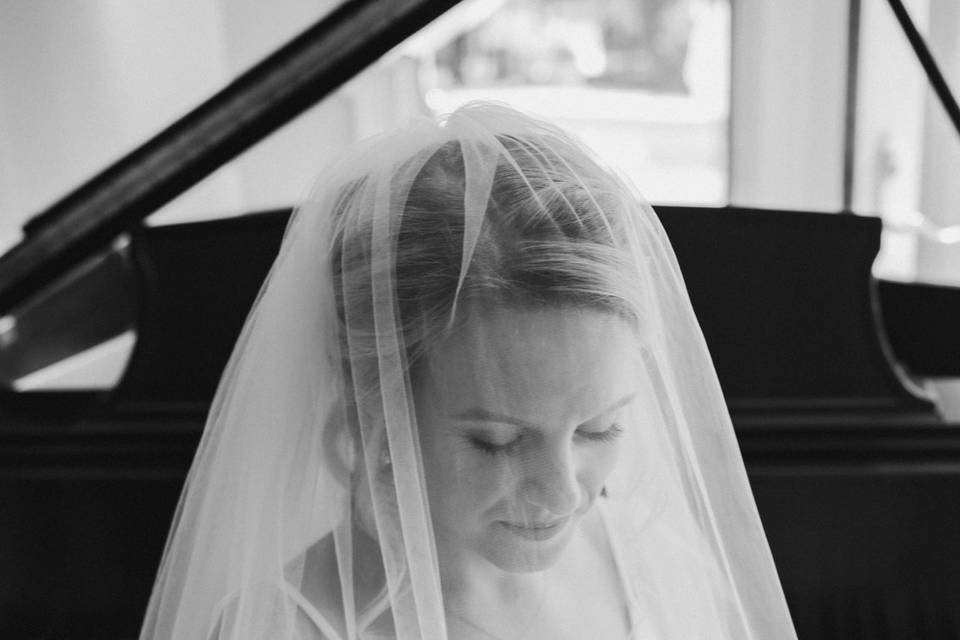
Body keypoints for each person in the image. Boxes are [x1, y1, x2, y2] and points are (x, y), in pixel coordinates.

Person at [139, 103, 797, 639]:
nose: (563, 493)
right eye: (498, 441)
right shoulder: (282, 628)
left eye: (599, 429)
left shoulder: (654, 563)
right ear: (379, 412)